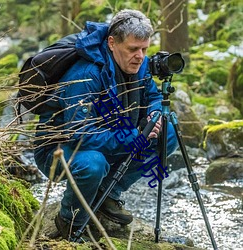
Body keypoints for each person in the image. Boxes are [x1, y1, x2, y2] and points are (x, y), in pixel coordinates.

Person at [34, 9, 178, 241]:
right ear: (112, 43)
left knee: (168, 133)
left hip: (113, 135)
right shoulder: (85, 74)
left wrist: (155, 113)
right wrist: (135, 137)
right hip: (59, 149)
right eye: (133, 49)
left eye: (144, 49)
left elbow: (152, 96)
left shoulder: (139, 64)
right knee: (93, 164)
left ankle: (108, 194)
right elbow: (79, 134)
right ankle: (69, 221)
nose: (140, 56)